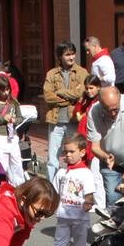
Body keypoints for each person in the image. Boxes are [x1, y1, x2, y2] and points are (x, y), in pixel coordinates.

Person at [32, 133, 96, 246]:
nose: (67, 155)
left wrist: (88, 203)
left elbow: (89, 196)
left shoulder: (86, 174)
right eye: (65, 152)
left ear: (82, 152)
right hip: (63, 217)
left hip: (79, 219)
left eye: (72, 152)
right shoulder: (61, 173)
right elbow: (55, 193)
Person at [42, 42, 86, 182]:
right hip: (56, 121)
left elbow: (81, 94)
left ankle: (74, 182)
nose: (71, 57)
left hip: (74, 120)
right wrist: (69, 99)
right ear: (60, 56)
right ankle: (52, 187)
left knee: (75, 154)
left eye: (73, 54)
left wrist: (60, 92)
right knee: (52, 157)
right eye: (67, 54)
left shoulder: (82, 72)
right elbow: (48, 96)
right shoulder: (52, 74)